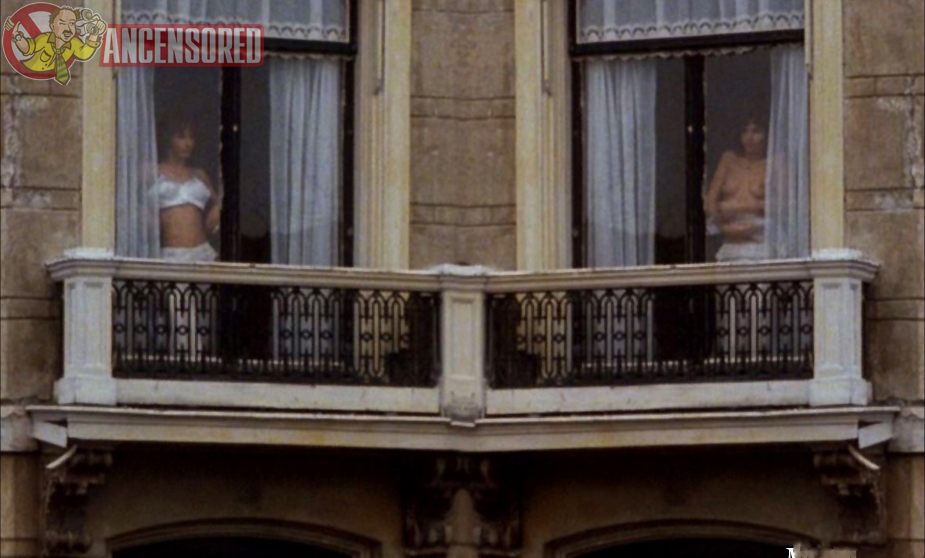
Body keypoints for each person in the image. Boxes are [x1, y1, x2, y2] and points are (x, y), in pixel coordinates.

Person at [153, 113, 221, 262]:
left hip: (202, 253)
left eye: (191, 137)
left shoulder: (199, 175)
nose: (188, 143)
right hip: (171, 255)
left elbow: (218, 207)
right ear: (168, 139)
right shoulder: (152, 173)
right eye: (181, 137)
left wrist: (212, 220)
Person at [703, 113, 769, 262]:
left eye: (756, 131)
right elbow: (710, 202)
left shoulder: (774, 163)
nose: (749, 137)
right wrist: (722, 222)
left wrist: (728, 207)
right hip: (729, 242)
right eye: (745, 131)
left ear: (766, 135)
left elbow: (781, 207)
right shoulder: (729, 160)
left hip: (760, 244)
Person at [4, 6, 105, 85]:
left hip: (50, 82)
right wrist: (16, 35)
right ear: (53, 26)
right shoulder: (45, 39)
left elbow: (85, 53)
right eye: (62, 23)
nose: (68, 29)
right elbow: (27, 48)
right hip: (27, 74)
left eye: (72, 24)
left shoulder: (74, 43)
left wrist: (94, 34)